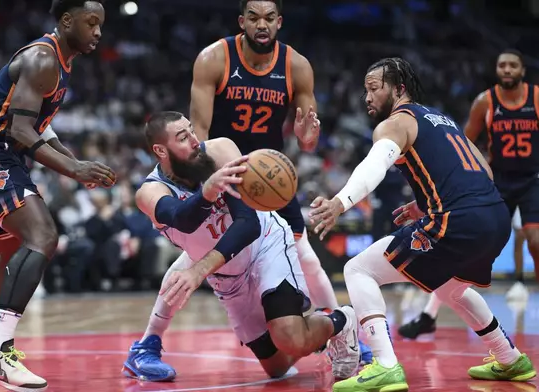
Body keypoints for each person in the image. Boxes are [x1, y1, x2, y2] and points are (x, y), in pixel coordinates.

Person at [123, 0, 371, 380]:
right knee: (193, 255)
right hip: (223, 164)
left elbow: (305, 138)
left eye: (269, 17)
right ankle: (148, 343)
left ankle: (341, 328)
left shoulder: (296, 65)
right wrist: (206, 182)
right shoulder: (214, 59)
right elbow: (200, 132)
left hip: (266, 177)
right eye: (253, 17)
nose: (261, 24)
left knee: (302, 253)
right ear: (241, 21)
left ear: (280, 22)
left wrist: (307, 140)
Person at [308, 58, 536, 392]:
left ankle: (384, 364)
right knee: (450, 287)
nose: (367, 98)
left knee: (359, 270)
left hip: (458, 221)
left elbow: (375, 166)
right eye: (365, 91)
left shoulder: (397, 122)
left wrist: (340, 202)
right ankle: (509, 357)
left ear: (398, 88)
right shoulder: (442, 118)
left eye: (374, 88)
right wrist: (425, 203)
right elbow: (483, 172)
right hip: (495, 217)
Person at [0, 1, 115, 390]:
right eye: (91, 23)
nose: (98, 32)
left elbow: (40, 124)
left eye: (101, 25)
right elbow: (21, 131)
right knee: (43, 237)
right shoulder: (43, 58)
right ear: (66, 20)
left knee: (11, 253)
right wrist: (73, 170)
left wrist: (73, 162)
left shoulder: (61, 61)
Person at [123, 111, 361, 381]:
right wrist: (208, 192)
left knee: (289, 336)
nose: (194, 140)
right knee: (277, 367)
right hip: (227, 275)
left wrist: (199, 270)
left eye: (191, 130)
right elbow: (182, 220)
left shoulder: (220, 150)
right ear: (160, 150)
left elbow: (248, 224)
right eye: (182, 137)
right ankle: (317, 331)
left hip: (265, 245)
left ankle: (341, 321)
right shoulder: (149, 193)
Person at [398, 49, 537, 339]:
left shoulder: (536, 98)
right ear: (497, 70)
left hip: (532, 178)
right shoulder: (485, 102)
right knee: (463, 249)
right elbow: (459, 142)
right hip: (495, 180)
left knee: (535, 239)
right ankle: (428, 315)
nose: (507, 70)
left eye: (513, 65)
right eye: (502, 65)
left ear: (522, 70)